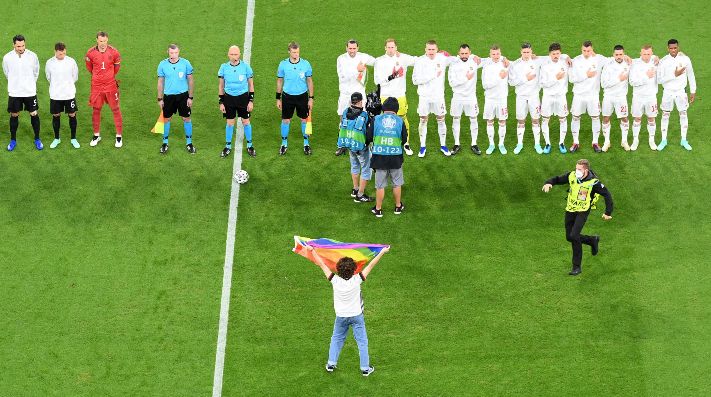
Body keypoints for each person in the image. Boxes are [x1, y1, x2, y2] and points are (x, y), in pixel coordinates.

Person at [306, 244, 390, 376]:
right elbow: (371, 265)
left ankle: (331, 364)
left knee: (336, 339)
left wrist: (312, 251)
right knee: (362, 342)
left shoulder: (334, 280)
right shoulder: (357, 280)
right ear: (354, 270)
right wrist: (382, 252)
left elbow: (322, 264)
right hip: (357, 316)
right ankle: (365, 369)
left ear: (338, 269)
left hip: (341, 316)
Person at [542, 159, 613, 276]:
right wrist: (549, 182)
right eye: (576, 168)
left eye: (579, 169)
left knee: (574, 236)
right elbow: (558, 179)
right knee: (569, 237)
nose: (577, 171)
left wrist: (608, 212)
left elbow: (607, 195)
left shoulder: (593, 183)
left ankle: (576, 267)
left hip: (582, 211)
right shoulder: (572, 176)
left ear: (586, 170)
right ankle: (592, 240)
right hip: (570, 209)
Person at [374, 38, 416, 156]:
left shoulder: (403, 58)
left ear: (396, 47)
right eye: (388, 47)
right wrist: (391, 77)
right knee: (384, 120)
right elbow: (377, 80)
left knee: (402, 118)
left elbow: (419, 60)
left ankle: (406, 143)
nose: (391, 49)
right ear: (385, 48)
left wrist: (438, 55)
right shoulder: (379, 61)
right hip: (385, 95)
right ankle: (386, 142)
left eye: (392, 47)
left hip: (400, 95)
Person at [366, 97, 407, 218]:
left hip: (379, 157)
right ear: (396, 109)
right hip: (395, 157)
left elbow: (368, 136)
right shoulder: (400, 121)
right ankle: (398, 206)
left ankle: (378, 209)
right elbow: (404, 139)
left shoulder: (376, 119)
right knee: (397, 183)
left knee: (380, 185)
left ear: (384, 108)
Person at [412, 40, 454, 157]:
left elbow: (459, 58)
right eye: (429, 49)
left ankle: (443, 145)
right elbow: (415, 80)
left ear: (437, 49)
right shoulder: (420, 61)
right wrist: (432, 75)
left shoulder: (442, 58)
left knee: (441, 119)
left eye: (433, 49)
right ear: (425, 50)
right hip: (424, 97)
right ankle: (422, 146)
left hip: (438, 97)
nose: (431, 52)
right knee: (423, 120)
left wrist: (475, 58)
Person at [335, 39, 375, 156]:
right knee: (342, 118)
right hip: (345, 93)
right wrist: (357, 70)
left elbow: (376, 62)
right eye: (350, 48)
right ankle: (342, 145)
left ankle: (361, 144)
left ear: (358, 48)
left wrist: (394, 57)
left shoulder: (363, 57)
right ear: (346, 48)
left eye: (354, 48)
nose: (352, 51)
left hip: (359, 94)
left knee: (362, 118)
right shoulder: (341, 59)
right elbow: (342, 76)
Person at [2, 34, 42, 151]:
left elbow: (36, 72)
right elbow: (6, 73)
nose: (21, 48)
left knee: (34, 113)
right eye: (18, 46)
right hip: (15, 92)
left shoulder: (32, 56)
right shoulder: (7, 58)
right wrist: (15, 84)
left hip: (29, 92)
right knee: (14, 115)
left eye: (23, 45)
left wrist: (29, 84)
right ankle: (13, 140)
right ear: (13, 45)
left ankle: (37, 139)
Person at [569, 41, 610, 153]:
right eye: (584, 51)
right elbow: (571, 79)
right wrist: (585, 75)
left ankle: (595, 142)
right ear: (581, 50)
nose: (586, 53)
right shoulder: (575, 61)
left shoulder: (599, 59)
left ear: (592, 50)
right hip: (578, 95)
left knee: (595, 117)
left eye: (588, 50)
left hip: (593, 95)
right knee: (576, 117)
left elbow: (613, 60)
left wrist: (625, 56)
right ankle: (575, 142)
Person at [85, 31, 123, 148]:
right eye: (101, 41)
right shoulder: (90, 53)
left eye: (105, 41)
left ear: (108, 40)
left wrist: (108, 77)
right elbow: (89, 68)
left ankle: (119, 137)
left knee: (115, 109)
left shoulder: (114, 52)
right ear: (97, 40)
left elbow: (116, 68)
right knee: (96, 109)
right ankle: (96, 135)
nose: (103, 43)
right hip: (96, 86)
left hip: (111, 86)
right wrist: (99, 78)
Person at [657, 39, 696, 151]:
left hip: (681, 91)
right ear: (668, 48)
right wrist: (674, 75)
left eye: (675, 48)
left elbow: (691, 75)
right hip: (668, 92)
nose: (673, 50)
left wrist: (693, 91)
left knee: (683, 114)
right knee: (665, 115)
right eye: (671, 48)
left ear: (678, 47)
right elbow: (659, 80)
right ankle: (663, 140)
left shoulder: (685, 59)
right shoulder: (663, 61)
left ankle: (684, 140)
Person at [157, 44, 195, 154]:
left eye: (176, 53)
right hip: (168, 97)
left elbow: (191, 81)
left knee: (186, 118)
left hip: (183, 96)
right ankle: (165, 142)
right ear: (168, 52)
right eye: (171, 53)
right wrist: (160, 99)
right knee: (166, 119)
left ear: (179, 52)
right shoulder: (162, 64)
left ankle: (189, 143)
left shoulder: (185, 63)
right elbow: (160, 82)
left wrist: (190, 97)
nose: (173, 55)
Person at [276, 41, 313, 155]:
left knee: (304, 119)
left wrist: (311, 98)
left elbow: (310, 81)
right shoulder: (283, 64)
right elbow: (279, 81)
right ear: (289, 52)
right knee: (286, 120)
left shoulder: (306, 64)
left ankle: (306, 143)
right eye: (293, 52)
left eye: (297, 52)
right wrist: (278, 98)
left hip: (302, 96)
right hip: (287, 97)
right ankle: (284, 143)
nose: (296, 54)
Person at [219, 45, 255, 158]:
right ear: (228, 55)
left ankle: (250, 145)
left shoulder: (246, 67)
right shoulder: (223, 67)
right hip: (229, 98)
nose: (234, 56)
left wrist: (251, 101)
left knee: (246, 121)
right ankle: (228, 146)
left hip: (243, 98)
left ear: (239, 54)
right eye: (232, 54)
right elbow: (221, 86)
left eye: (236, 54)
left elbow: (251, 85)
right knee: (230, 122)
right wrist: (221, 102)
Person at [509, 43, 544, 155]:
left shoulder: (537, 61)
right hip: (521, 96)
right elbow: (511, 82)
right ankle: (519, 144)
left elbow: (552, 56)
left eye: (528, 52)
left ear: (531, 51)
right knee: (521, 120)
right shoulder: (515, 64)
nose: (526, 54)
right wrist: (525, 78)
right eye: (524, 52)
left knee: (535, 119)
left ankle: (537, 144)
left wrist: (566, 56)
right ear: (521, 52)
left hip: (534, 96)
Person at [338, 92, 374, 202]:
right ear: (359, 101)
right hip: (360, 147)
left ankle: (355, 189)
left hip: (350, 144)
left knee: (354, 166)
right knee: (366, 169)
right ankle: (360, 195)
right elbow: (370, 130)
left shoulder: (345, 112)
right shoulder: (364, 115)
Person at [448, 44, 482, 155]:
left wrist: (504, 59)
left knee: (473, 118)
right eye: (462, 53)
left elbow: (492, 58)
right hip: (457, 97)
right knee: (456, 119)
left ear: (470, 52)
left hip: (471, 97)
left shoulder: (474, 61)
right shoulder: (453, 65)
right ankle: (456, 143)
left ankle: (474, 144)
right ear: (458, 53)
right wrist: (465, 78)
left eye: (466, 53)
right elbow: (452, 83)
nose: (464, 56)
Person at [45, 42, 79, 149]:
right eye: (60, 54)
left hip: (69, 94)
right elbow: (48, 77)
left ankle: (73, 138)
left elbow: (75, 76)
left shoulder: (71, 61)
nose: (62, 55)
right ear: (55, 52)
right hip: (55, 95)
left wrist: (67, 86)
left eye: (64, 53)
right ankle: (56, 138)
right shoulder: (49, 63)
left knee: (72, 114)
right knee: (56, 115)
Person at [539, 43, 571, 154]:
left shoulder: (565, 63)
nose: (556, 56)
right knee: (545, 119)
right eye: (553, 54)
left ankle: (561, 143)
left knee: (562, 118)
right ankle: (548, 143)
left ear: (560, 53)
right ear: (549, 54)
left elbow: (568, 57)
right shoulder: (545, 66)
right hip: (548, 97)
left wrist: (566, 56)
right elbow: (542, 84)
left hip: (561, 96)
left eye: (558, 53)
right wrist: (555, 78)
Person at [628, 45, 660, 151]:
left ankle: (651, 140)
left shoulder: (655, 62)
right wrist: (646, 76)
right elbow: (632, 82)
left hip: (651, 97)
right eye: (644, 54)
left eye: (649, 54)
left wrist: (681, 54)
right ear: (640, 53)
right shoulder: (634, 64)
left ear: (652, 53)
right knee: (637, 118)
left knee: (651, 118)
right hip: (638, 97)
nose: (647, 56)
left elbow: (667, 59)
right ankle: (635, 140)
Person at [600, 45, 630, 152]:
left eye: (621, 54)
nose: (618, 56)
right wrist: (619, 79)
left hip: (621, 97)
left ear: (624, 54)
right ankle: (606, 141)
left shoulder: (628, 64)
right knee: (606, 118)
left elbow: (643, 59)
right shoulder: (608, 65)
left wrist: (655, 58)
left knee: (624, 118)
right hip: (608, 97)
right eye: (616, 54)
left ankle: (624, 141)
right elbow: (604, 84)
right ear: (613, 55)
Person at [481, 45, 510, 155]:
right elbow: (485, 85)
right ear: (490, 55)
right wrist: (499, 78)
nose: (496, 56)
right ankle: (491, 144)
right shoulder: (487, 67)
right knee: (490, 121)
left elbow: (521, 60)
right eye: (493, 54)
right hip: (490, 99)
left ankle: (501, 144)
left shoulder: (506, 64)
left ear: (500, 53)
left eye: (498, 54)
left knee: (502, 121)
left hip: (502, 99)